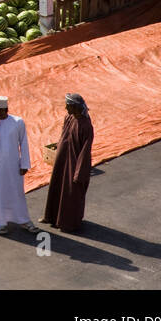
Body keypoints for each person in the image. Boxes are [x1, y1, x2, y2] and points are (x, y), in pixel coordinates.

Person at [0, 95, 40, 235]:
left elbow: (23, 143)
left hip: (12, 165)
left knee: (16, 192)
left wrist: (24, 164)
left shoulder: (17, 122)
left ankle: (23, 220)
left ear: (5, 110)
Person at [40, 93, 94, 233]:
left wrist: (79, 172)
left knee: (70, 193)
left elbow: (85, 151)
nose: (65, 108)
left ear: (75, 107)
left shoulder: (86, 126)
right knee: (57, 187)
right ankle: (51, 217)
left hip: (74, 163)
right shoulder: (69, 118)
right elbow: (64, 135)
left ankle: (67, 223)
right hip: (62, 160)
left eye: (68, 105)